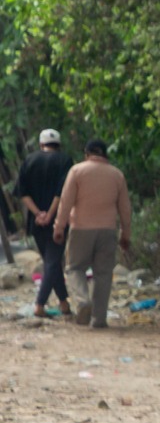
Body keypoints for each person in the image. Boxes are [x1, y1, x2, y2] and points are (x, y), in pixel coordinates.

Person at [53, 138, 131, 329]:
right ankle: (99, 319)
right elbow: (125, 209)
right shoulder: (117, 175)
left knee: (74, 268)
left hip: (81, 229)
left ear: (87, 154)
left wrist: (59, 227)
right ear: (105, 155)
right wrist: (125, 235)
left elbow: (66, 202)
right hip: (108, 231)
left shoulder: (77, 171)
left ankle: (82, 301)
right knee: (103, 274)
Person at [18, 129, 73, 320]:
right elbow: (62, 192)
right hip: (58, 219)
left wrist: (38, 214)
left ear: (41, 145)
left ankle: (64, 303)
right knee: (52, 261)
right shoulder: (65, 161)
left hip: (36, 222)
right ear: (59, 145)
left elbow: (23, 193)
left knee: (51, 262)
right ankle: (39, 304)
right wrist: (50, 214)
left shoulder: (29, 160)